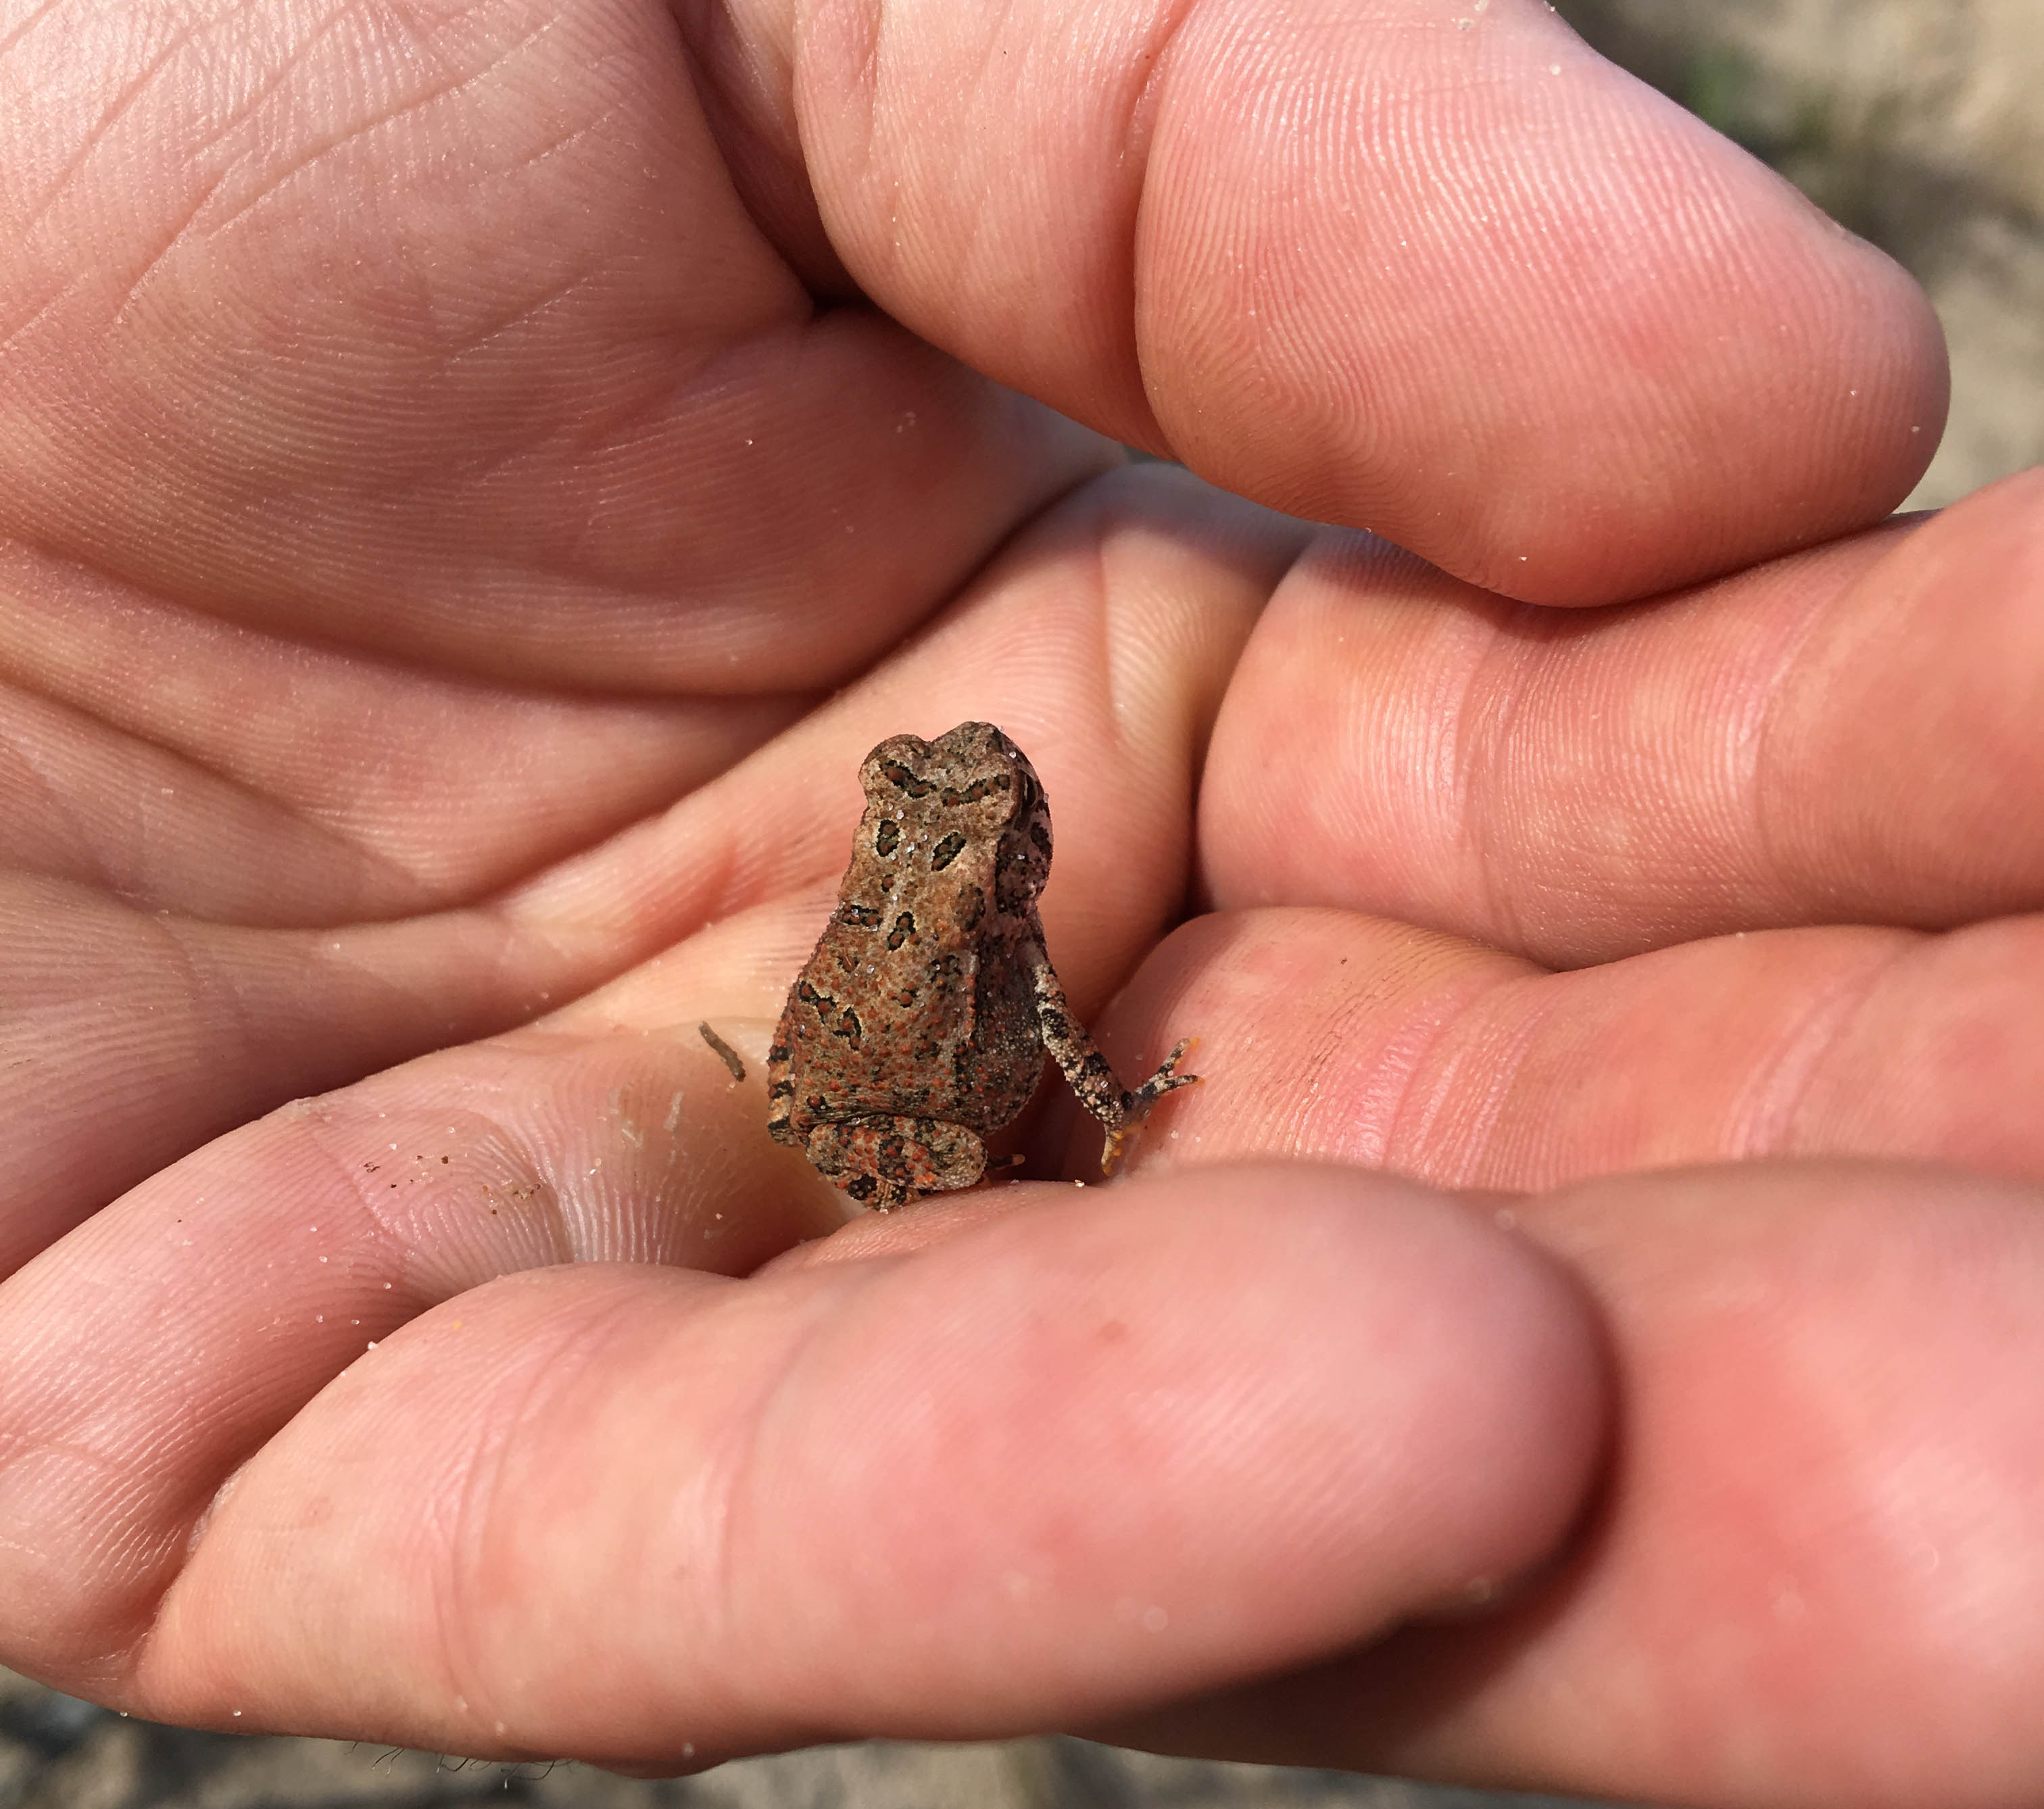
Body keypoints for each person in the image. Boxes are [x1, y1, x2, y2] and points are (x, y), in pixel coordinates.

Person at [0, 0, 2035, 1802]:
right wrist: (1117, 1125)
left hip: (836, 1049)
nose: (988, 816)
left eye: (985, 815)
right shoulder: (1002, 930)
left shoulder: (944, 892)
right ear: (960, 850)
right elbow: (1051, 1038)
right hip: (897, 1093)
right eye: (962, 817)